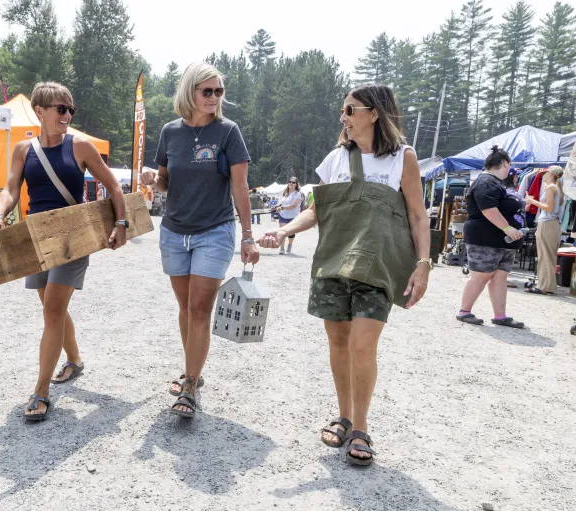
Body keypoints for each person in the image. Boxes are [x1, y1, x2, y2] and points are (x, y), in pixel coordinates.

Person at [258, 84, 430, 466]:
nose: (343, 117)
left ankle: (361, 428)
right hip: (334, 262)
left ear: (375, 113)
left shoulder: (403, 158)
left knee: (362, 345)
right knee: (338, 342)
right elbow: (315, 210)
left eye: (350, 110)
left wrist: (423, 264)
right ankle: (344, 415)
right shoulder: (336, 159)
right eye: (343, 110)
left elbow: (418, 215)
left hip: (378, 266)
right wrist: (284, 232)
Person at [0, 82, 128, 421]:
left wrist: (121, 222)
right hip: (36, 239)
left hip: (73, 238)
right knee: (52, 309)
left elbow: (114, 186)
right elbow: (11, 189)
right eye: (61, 109)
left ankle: (41, 391)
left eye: (70, 109)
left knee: (53, 310)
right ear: (40, 111)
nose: (67, 115)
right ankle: (74, 360)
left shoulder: (81, 146)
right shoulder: (23, 150)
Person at [140, 62, 258, 419]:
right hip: (174, 231)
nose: (214, 97)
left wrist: (248, 236)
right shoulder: (170, 132)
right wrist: (152, 179)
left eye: (219, 91)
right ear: (189, 91)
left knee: (199, 309)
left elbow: (240, 186)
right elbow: (165, 182)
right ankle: (193, 369)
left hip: (214, 230)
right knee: (185, 307)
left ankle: (189, 386)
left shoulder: (228, 131)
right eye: (207, 91)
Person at [457, 146, 526, 327]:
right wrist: (507, 228)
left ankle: (500, 315)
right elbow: (488, 209)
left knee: (500, 277)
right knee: (481, 275)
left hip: (503, 240)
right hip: (485, 238)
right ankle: (464, 311)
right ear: (505, 163)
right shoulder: (486, 181)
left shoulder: (495, 182)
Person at [525, 165, 565, 295]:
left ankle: (544, 286)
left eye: (545, 173)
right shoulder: (556, 188)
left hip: (547, 223)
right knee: (549, 256)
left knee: (545, 255)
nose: (543, 175)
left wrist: (533, 202)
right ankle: (549, 285)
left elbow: (549, 208)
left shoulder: (550, 188)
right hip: (552, 224)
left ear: (551, 174)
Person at [274, 178, 305, 254]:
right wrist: (277, 205)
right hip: (282, 215)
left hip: (293, 216)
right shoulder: (284, 192)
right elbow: (281, 202)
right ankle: (282, 248)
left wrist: (281, 208)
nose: (291, 183)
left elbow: (293, 205)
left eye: (293, 182)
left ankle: (290, 244)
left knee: (290, 233)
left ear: (296, 184)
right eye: (289, 182)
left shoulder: (298, 194)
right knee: (282, 232)